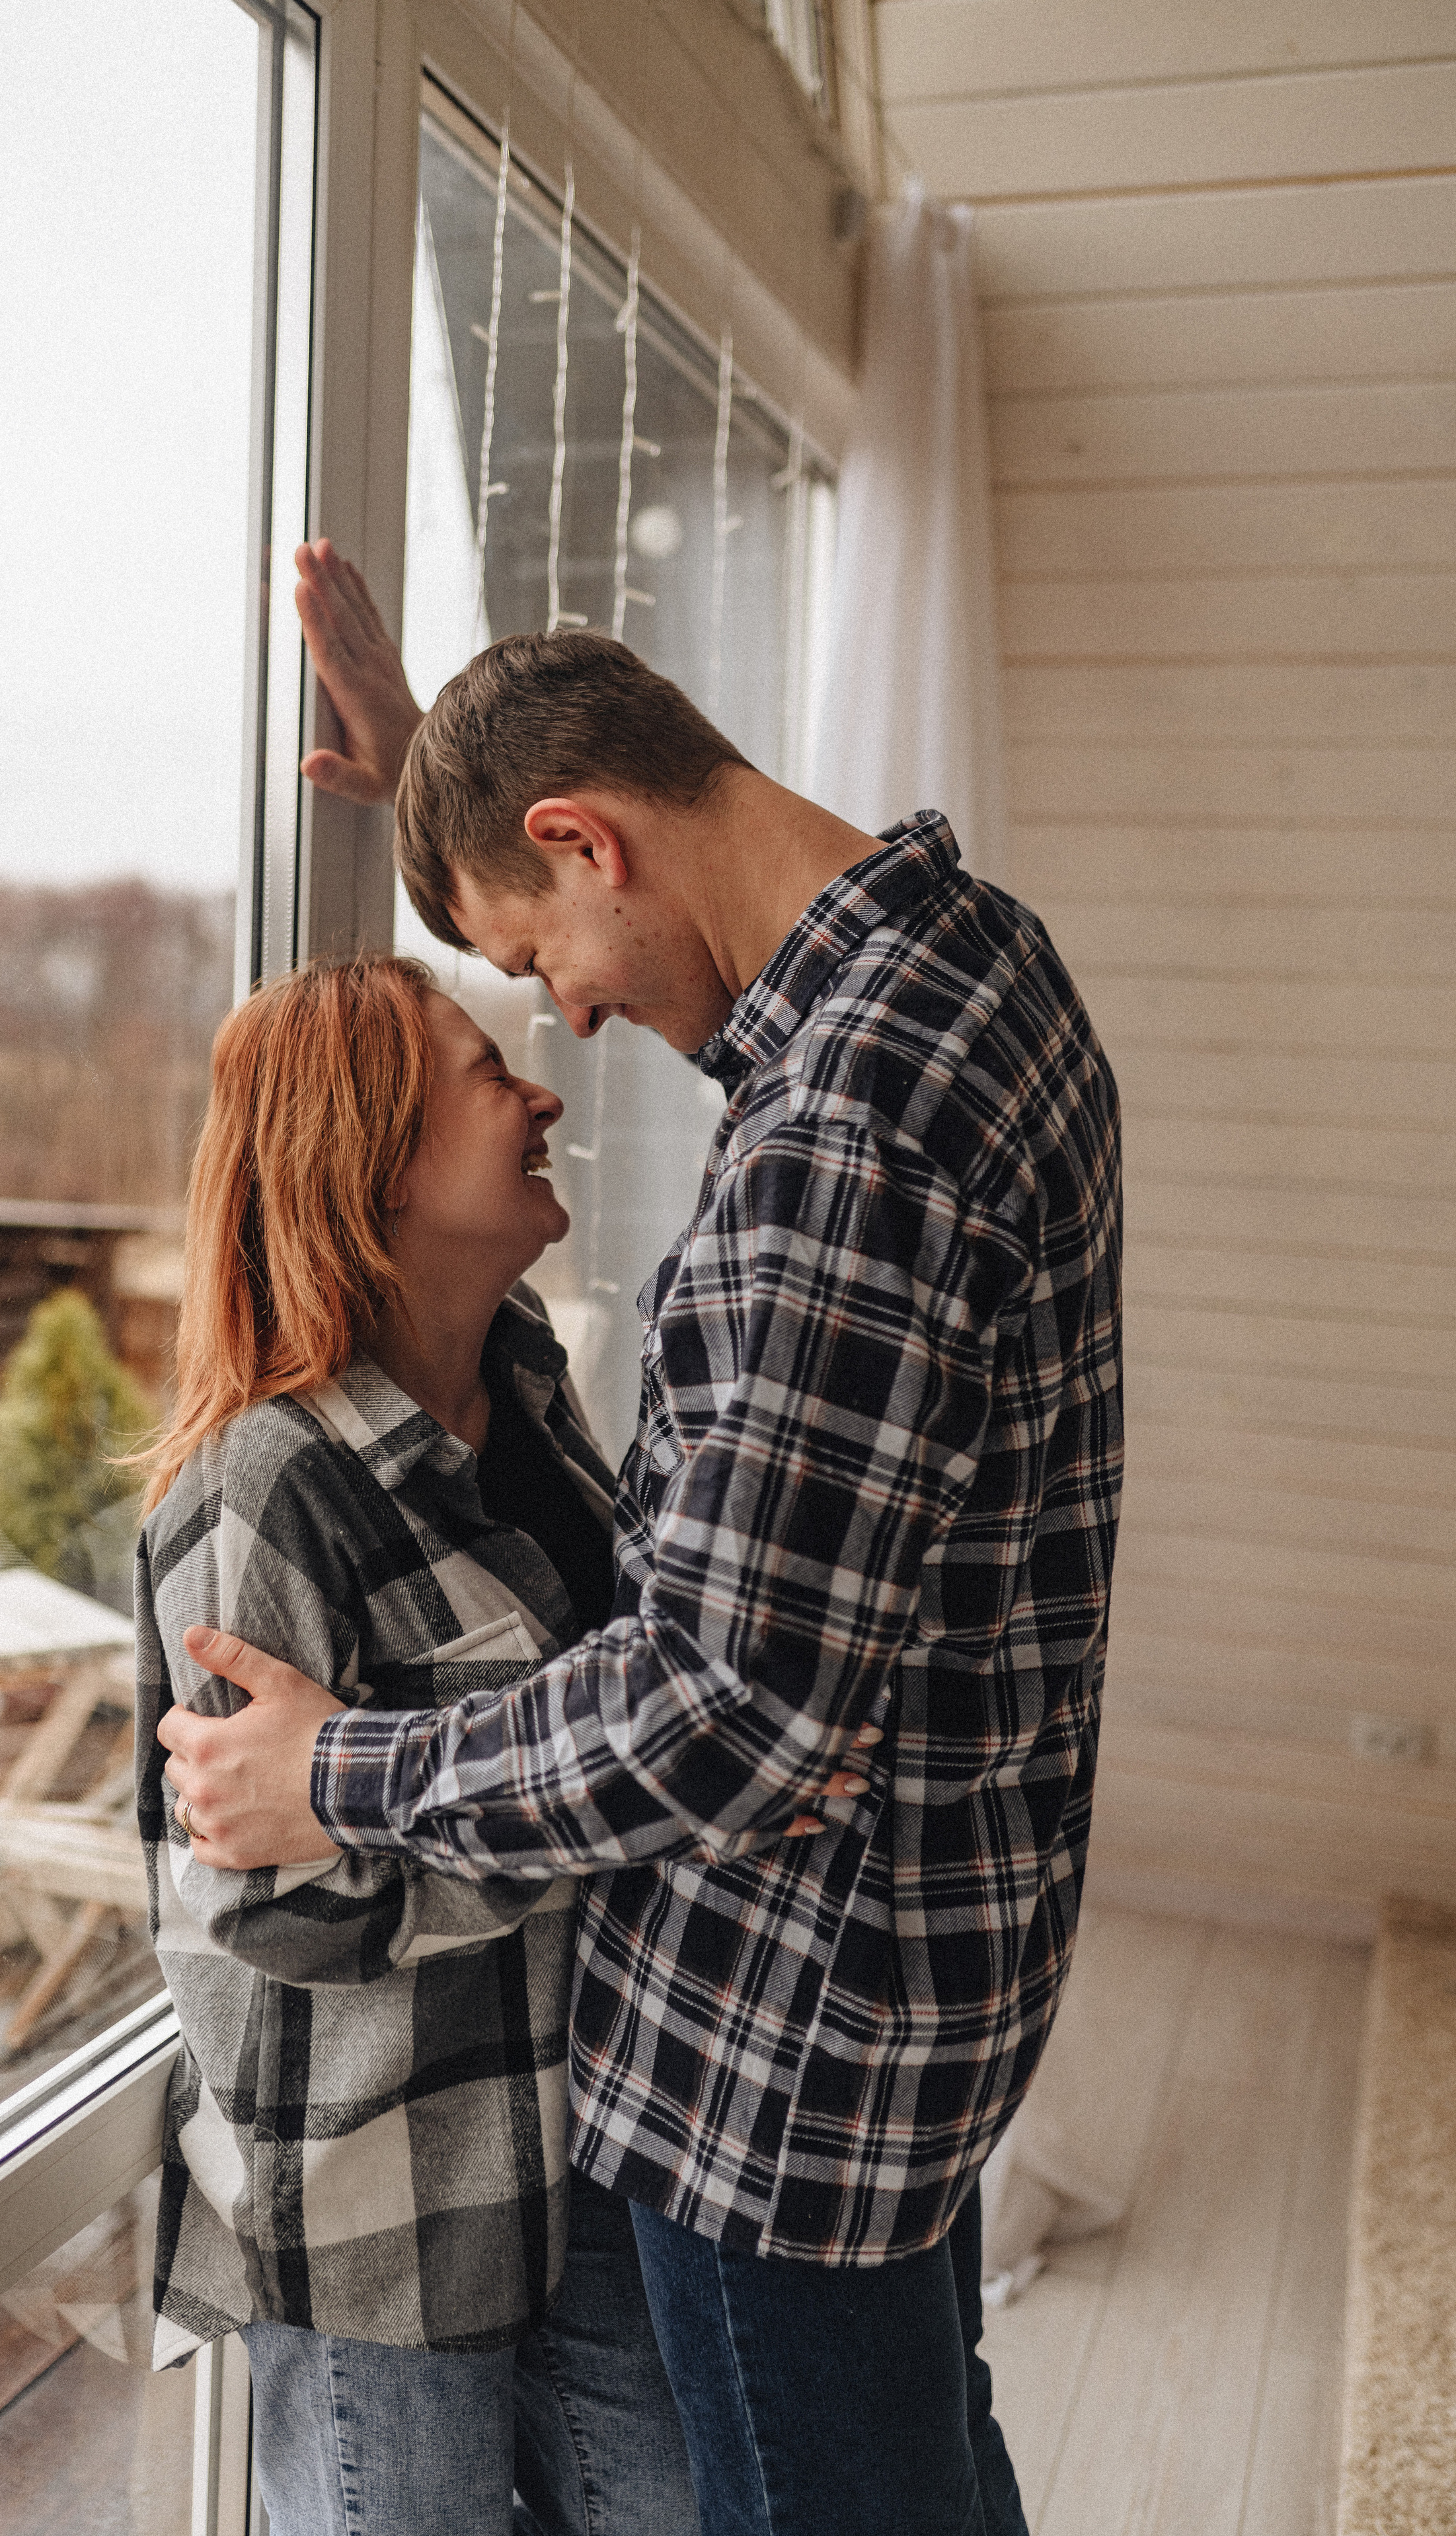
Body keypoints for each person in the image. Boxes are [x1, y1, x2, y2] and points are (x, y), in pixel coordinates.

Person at [160, 543, 1125, 2536]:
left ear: (587, 835)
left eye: (534, 965)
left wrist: (336, 1765)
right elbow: (603, 919)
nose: (570, 1030)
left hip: (791, 2041)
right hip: (907, 1991)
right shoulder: (968, 967)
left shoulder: (832, 1144)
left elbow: (725, 1709)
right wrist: (444, 764)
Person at [134, 954, 700, 2536]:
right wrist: (618, 1817)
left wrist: (566, 1789)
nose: (539, 1094)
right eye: (483, 1072)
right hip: (382, 2227)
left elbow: (613, 1702)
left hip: (583, 2156)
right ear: (368, 1161)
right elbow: (270, 1900)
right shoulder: (266, 1487)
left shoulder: (525, 1386)